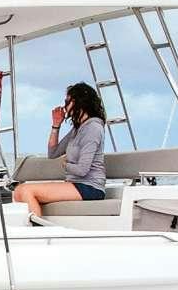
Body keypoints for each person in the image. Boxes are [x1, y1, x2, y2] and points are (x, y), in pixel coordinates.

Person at [14, 81, 109, 216]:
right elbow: (53, 153)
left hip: (90, 187)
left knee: (25, 191)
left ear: (78, 103)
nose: (64, 106)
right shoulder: (78, 129)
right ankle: (35, 227)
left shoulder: (93, 128)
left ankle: (38, 232)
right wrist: (56, 125)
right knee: (18, 191)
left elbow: (82, 170)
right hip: (75, 184)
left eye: (67, 102)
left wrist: (66, 165)